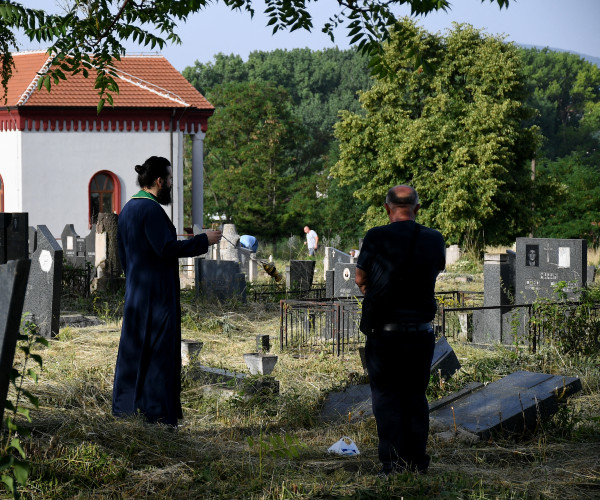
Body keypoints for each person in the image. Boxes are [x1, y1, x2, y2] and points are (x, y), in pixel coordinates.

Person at [112, 156, 222, 426]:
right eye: (170, 180)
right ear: (159, 181)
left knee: (134, 352)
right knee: (159, 355)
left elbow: (123, 254)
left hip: (136, 294)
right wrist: (201, 241)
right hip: (158, 296)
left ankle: (126, 410)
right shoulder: (151, 211)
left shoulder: (127, 209)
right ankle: (157, 416)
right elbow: (167, 249)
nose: (172, 185)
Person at [355, 185, 445, 476]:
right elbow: (434, 269)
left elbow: (360, 277)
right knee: (415, 397)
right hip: (420, 332)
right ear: (417, 208)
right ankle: (418, 463)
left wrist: (374, 288)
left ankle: (392, 465)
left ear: (386, 208)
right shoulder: (434, 239)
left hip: (385, 333)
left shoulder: (376, 236)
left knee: (386, 398)